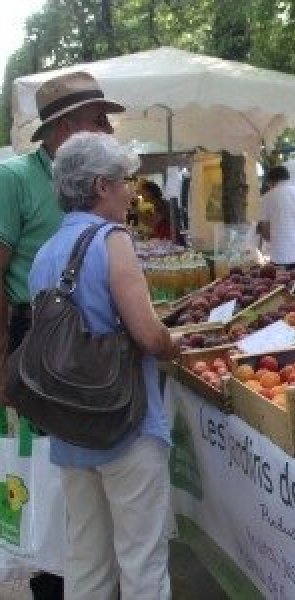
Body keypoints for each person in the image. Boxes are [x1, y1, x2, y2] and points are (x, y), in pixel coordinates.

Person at [30, 132, 178, 600]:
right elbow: (148, 336)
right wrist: (176, 345)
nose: (130, 191)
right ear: (100, 186)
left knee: (87, 561)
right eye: (123, 181)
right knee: (141, 562)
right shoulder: (112, 240)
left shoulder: (47, 252)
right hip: (125, 423)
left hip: (71, 427)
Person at [0, 70, 122, 600]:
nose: (109, 130)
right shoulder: (15, 179)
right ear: (67, 126)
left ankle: (91, 582)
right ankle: (52, 584)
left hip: (94, 342)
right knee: (48, 479)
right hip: (38, 336)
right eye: (100, 120)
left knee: (86, 475)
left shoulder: (98, 182)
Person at [258, 165, 295, 269]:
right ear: (288, 177)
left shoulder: (266, 198)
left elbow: (265, 230)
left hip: (280, 256)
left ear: (270, 181)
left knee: (284, 283)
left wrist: (279, 239)